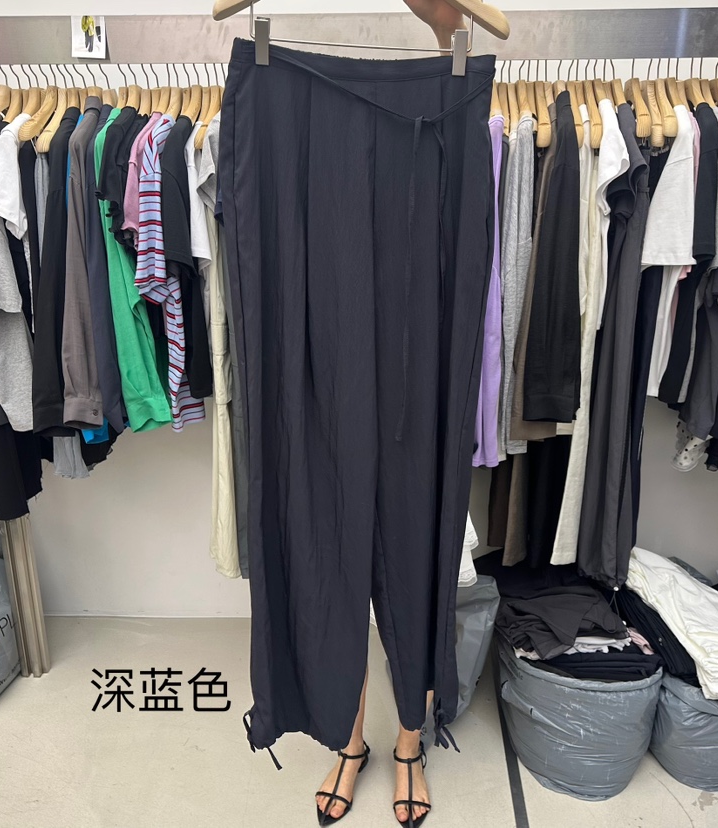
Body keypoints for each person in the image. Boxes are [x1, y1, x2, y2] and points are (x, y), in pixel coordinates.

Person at [311, 6, 472, 824]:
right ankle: (349, 739)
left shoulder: (453, 103)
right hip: (323, 316)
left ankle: (408, 738)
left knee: (411, 541)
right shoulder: (280, 96)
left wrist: (448, 38)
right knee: (328, 543)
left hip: (417, 325)